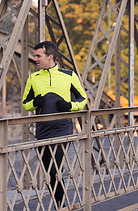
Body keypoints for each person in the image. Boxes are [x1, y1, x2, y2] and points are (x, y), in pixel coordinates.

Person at [22, 41, 87, 208]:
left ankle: (61, 204)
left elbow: (82, 99)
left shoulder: (69, 75)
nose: (35, 59)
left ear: (50, 57)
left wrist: (70, 106)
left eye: (38, 56)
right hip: (43, 130)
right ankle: (60, 203)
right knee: (49, 171)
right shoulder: (33, 78)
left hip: (62, 128)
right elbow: (25, 103)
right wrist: (35, 103)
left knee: (55, 167)